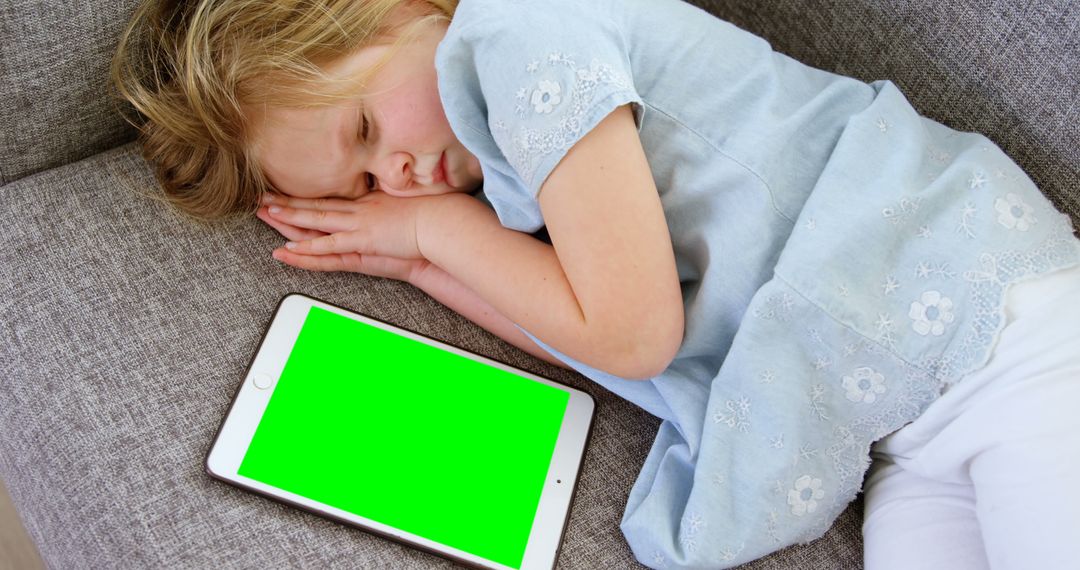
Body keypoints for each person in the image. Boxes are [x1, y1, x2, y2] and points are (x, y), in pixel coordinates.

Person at [111, 0, 1080, 568]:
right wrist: (421, 262)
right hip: (906, 424)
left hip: (1002, 326)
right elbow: (578, 319)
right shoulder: (496, 154)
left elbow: (633, 334)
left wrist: (435, 230)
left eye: (365, 133)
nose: (396, 180)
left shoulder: (527, 40)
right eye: (362, 186)